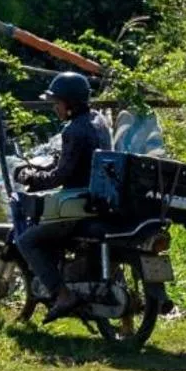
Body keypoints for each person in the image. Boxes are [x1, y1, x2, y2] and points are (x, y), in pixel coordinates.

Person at [15, 71, 112, 321]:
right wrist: (45, 167)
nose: (54, 107)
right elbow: (72, 161)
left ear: (69, 103)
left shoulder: (74, 130)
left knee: (27, 241)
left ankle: (62, 294)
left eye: (56, 102)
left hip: (77, 206)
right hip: (98, 200)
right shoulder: (97, 121)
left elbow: (62, 175)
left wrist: (32, 179)